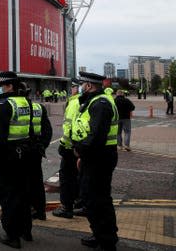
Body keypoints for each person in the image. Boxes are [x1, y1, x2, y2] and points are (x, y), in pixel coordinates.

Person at [0, 71, 41, 249]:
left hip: (7, 157)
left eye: (0, 85)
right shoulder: (24, 102)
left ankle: (12, 235)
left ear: (8, 86)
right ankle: (26, 231)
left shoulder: (3, 104)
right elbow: (30, 131)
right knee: (23, 194)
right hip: (24, 154)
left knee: (7, 196)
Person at [72, 72, 119, 251]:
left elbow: (96, 136)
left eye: (83, 84)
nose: (81, 87)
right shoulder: (96, 101)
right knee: (91, 197)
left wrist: (81, 152)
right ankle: (100, 235)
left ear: (89, 86)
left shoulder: (100, 104)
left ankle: (107, 241)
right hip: (95, 156)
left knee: (97, 199)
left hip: (99, 157)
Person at [19, 82, 52, 221]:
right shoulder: (39, 107)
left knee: (22, 183)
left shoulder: (14, 108)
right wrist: (42, 146)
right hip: (36, 151)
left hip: (21, 152)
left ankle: (27, 211)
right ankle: (40, 211)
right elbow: (48, 130)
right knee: (37, 182)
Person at [52, 78, 82, 219]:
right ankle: (79, 202)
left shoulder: (75, 102)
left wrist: (65, 145)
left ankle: (66, 207)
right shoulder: (85, 101)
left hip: (71, 147)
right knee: (78, 176)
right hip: (81, 146)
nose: (71, 89)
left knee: (66, 177)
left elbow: (69, 127)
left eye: (73, 87)